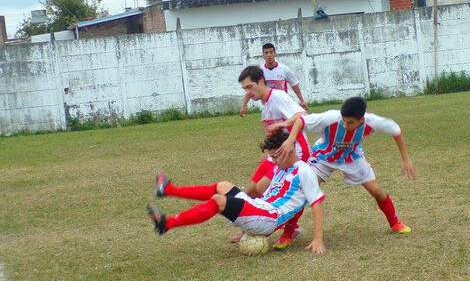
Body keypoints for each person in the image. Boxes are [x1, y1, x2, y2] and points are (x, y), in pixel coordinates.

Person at [147, 131, 326, 254]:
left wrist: (318, 239)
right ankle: (169, 190)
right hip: (260, 208)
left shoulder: (305, 171)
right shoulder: (281, 167)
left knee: (219, 201)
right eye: (271, 156)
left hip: (269, 218)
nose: (273, 160)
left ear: (289, 151)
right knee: (224, 186)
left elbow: (316, 204)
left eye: (275, 156)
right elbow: (261, 190)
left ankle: (166, 223)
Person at [269, 96, 417, 234]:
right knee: (305, 191)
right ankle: (288, 234)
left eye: (350, 122)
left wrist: (406, 158)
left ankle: (395, 223)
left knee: (376, 191)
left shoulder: (372, 121)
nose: (345, 125)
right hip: (324, 157)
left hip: (351, 156)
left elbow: (396, 130)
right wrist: (290, 140)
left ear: (361, 120)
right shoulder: (331, 117)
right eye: (344, 121)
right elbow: (301, 120)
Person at [233, 65, 311, 248]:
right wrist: (244, 104)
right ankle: (249, 228)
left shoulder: (278, 97)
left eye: (250, 87)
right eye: (245, 89)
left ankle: (290, 231)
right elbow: (251, 92)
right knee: (252, 190)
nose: (248, 92)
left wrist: (282, 125)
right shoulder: (265, 100)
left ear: (261, 82)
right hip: (274, 154)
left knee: (284, 193)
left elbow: (302, 115)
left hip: (293, 153)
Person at [239, 43, 308, 117]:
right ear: (263, 55)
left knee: (287, 125)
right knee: (272, 127)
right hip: (268, 106)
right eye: (266, 53)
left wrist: (302, 100)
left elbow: (294, 85)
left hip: (282, 105)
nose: (269, 55)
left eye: (271, 52)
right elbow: (250, 87)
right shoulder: (259, 71)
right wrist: (244, 105)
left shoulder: (284, 69)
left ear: (275, 53)